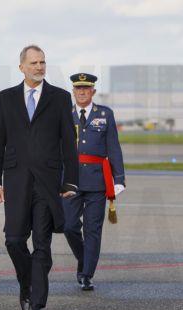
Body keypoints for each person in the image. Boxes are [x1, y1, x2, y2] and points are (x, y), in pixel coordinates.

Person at [0, 45, 78, 310]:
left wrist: (70, 181)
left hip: (48, 183)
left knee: (42, 244)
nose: (39, 67)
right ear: (22, 67)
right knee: (14, 240)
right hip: (16, 181)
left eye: (43, 62)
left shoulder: (60, 98)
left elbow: (68, 143)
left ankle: (37, 302)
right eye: (34, 63)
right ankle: (27, 284)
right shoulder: (6, 99)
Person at [63, 73, 125, 291]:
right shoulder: (64, 113)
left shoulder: (105, 114)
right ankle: (84, 259)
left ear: (93, 91)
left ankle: (86, 274)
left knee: (93, 230)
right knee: (69, 226)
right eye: (78, 88)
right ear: (73, 91)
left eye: (86, 88)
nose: (81, 92)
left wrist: (119, 179)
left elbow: (114, 147)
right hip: (69, 179)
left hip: (98, 181)